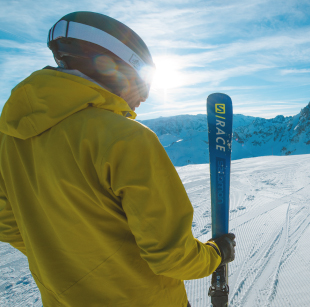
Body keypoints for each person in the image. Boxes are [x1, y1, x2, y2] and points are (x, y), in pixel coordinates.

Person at [0, 11, 235, 307]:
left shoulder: (8, 139)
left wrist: (65, 258)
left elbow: (8, 225)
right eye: (143, 81)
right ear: (117, 66)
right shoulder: (127, 139)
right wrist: (216, 253)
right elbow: (172, 257)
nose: (144, 98)